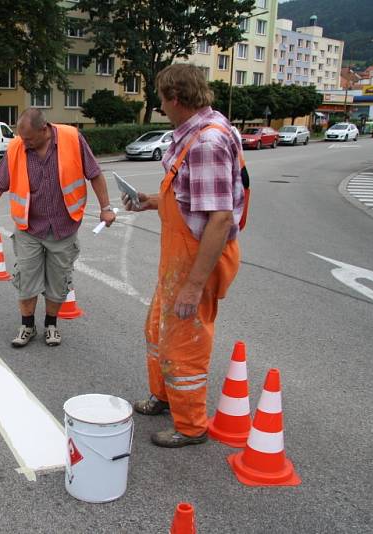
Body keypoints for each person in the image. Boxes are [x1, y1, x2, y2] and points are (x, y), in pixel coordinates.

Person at [122, 64, 243, 448]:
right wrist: (151, 202)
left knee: (184, 343)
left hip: (194, 263)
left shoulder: (207, 142)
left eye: (161, 98)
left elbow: (220, 219)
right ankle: (164, 397)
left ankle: (190, 426)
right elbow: (192, 201)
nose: (159, 106)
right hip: (179, 260)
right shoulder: (198, 133)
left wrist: (193, 287)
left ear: (175, 97)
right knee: (158, 330)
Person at [0, 108, 116, 348]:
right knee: (26, 277)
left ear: (44, 129)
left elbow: (95, 174)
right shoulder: (17, 148)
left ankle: (51, 325)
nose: (23, 142)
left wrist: (106, 207)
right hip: (29, 227)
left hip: (64, 226)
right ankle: (27, 325)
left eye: (28, 138)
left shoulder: (71, 138)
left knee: (58, 281)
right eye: (21, 137)